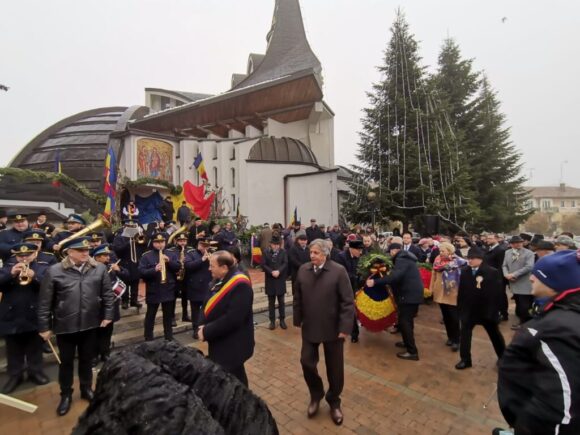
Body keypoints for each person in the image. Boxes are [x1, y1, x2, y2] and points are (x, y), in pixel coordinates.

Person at [497, 250, 580, 434]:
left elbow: (559, 407)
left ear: (557, 283)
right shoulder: (558, 315)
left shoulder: (559, 329)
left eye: (539, 275)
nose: (531, 278)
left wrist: (524, 429)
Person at [37, 236, 115, 416]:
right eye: (80, 250)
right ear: (69, 252)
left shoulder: (99, 268)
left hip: (90, 323)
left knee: (87, 359)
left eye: (87, 250)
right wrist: (44, 327)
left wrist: (108, 315)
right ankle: (66, 394)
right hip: (66, 325)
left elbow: (108, 294)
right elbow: (44, 302)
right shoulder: (54, 271)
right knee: (66, 363)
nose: (85, 253)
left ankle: (86, 388)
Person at [293, 239, 354, 426]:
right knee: (306, 362)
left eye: (316, 253)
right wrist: (297, 319)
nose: (312, 256)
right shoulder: (303, 270)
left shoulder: (338, 271)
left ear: (325, 254)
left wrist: (345, 328)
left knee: (335, 368)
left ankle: (334, 401)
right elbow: (297, 296)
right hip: (310, 326)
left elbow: (347, 302)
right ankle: (316, 394)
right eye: (311, 252)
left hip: (333, 329)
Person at [0, 243, 51, 394]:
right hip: (11, 316)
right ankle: (15, 376)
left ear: (35, 254)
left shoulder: (42, 268)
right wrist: (10, 274)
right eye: (20, 255)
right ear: (16, 256)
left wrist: (35, 276)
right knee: (13, 350)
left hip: (33, 315)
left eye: (27, 255)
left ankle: (35, 372)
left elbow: (50, 287)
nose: (24, 258)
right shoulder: (7, 268)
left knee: (34, 348)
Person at [199, 250, 254, 387]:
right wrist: (201, 324)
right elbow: (206, 303)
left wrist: (206, 331)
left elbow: (233, 319)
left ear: (224, 268)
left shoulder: (240, 284)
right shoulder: (219, 279)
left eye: (212, 266)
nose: (209, 268)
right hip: (219, 339)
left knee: (235, 381)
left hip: (233, 345)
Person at [366, 242, 424, 360]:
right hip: (411, 294)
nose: (390, 254)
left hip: (409, 295)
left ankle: (412, 352)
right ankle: (407, 342)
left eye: (391, 251)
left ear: (395, 250)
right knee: (407, 321)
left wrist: (375, 282)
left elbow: (395, 277)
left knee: (404, 322)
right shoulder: (406, 258)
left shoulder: (402, 259)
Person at [455, 247, 505, 369]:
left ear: (481, 259)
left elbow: (497, 294)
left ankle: (503, 357)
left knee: (494, 334)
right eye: (468, 258)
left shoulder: (492, 272)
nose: (470, 260)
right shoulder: (465, 271)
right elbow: (461, 291)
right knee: (465, 334)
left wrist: (495, 311)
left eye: (472, 258)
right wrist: (460, 308)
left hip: (486, 311)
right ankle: (465, 359)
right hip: (469, 310)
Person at [91, 244, 129, 365]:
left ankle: (105, 353)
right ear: (97, 257)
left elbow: (127, 276)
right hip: (96, 306)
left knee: (108, 331)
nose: (108, 257)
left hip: (111, 305)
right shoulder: (90, 268)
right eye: (104, 255)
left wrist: (119, 270)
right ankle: (94, 355)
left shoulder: (111, 267)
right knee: (95, 332)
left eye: (108, 255)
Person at [139, 233, 181, 341]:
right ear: (153, 243)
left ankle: (169, 337)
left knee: (168, 316)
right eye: (157, 242)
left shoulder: (171, 254)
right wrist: (154, 269)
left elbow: (178, 267)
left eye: (162, 242)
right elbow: (141, 272)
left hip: (168, 288)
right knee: (150, 315)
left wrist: (169, 261)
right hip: (154, 289)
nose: (160, 244)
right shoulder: (146, 255)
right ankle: (148, 338)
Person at [430, 242, 466, 351]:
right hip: (440, 291)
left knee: (454, 317)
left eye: (443, 251)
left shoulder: (459, 262)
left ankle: (457, 340)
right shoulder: (437, 260)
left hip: (452, 293)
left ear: (449, 251)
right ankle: (450, 337)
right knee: (445, 316)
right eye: (440, 251)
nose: (441, 253)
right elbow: (433, 274)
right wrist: (431, 288)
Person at [502, 235, 535, 330]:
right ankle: (522, 321)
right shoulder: (507, 252)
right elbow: (504, 265)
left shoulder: (529, 253)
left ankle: (525, 323)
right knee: (518, 303)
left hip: (524, 282)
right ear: (511, 244)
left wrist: (514, 274)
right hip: (512, 282)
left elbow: (529, 267)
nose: (517, 244)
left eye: (519, 242)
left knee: (524, 305)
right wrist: (506, 274)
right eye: (515, 243)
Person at [113, 219, 145, 309]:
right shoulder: (119, 236)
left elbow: (144, 246)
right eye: (129, 226)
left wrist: (141, 235)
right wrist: (128, 243)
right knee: (125, 282)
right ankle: (125, 301)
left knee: (135, 282)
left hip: (136, 262)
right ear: (125, 226)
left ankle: (134, 301)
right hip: (125, 262)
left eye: (133, 226)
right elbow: (117, 249)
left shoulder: (138, 235)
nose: (131, 228)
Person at [184, 238, 212, 339]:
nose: (205, 247)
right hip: (195, 286)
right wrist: (202, 260)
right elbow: (188, 265)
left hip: (207, 286)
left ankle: (206, 329)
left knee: (207, 309)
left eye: (206, 245)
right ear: (198, 245)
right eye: (203, 245)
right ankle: (196, 330)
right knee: (195, 311)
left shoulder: (212, 253)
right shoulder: (191, 253)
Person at [337, 239, 364, 343]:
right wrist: (356, 276)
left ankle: (354, 331)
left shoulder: (359, 257)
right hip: (344, 287)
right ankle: (353, 333)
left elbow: (360, 270)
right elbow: (342, 273)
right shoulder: (341, 257)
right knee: (349, 310)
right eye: (359, 250)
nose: (360, 252)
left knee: (355, 309)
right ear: (352, 249)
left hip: (356, 286)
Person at [261, 236, 289, 330]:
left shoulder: (283, 252)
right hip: (270, 279)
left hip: (280, 279)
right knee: (271, 302)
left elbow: (285, 263)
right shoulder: (266, 252)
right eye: (274, 244)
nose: (276, 246)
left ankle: (282, 320)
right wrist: (271, 272)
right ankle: (272, 321)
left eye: (277, 244)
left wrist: (279, 271)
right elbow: (263, 264)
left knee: (281, 301)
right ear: (271, 244)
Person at [167, 232, 192, 324]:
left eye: (184, 241)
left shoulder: (190, 250)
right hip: (175, 277)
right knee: (173, 297)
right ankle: (172, 317)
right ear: (176, 241)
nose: (182, 243)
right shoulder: (171, 251)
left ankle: (185, 315)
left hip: (186, 276)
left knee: (185, 297)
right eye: (180, 241)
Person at [484, 233, 508, 321]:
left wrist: (499, 279)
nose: (488, 240)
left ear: (497, 239)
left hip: (497, 278)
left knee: (500, 296)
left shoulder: (500, 250)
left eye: (490, 238)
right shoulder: (488, 249)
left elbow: (501, 265)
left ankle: (503, 314)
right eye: (487, 238)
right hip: (488, 277)